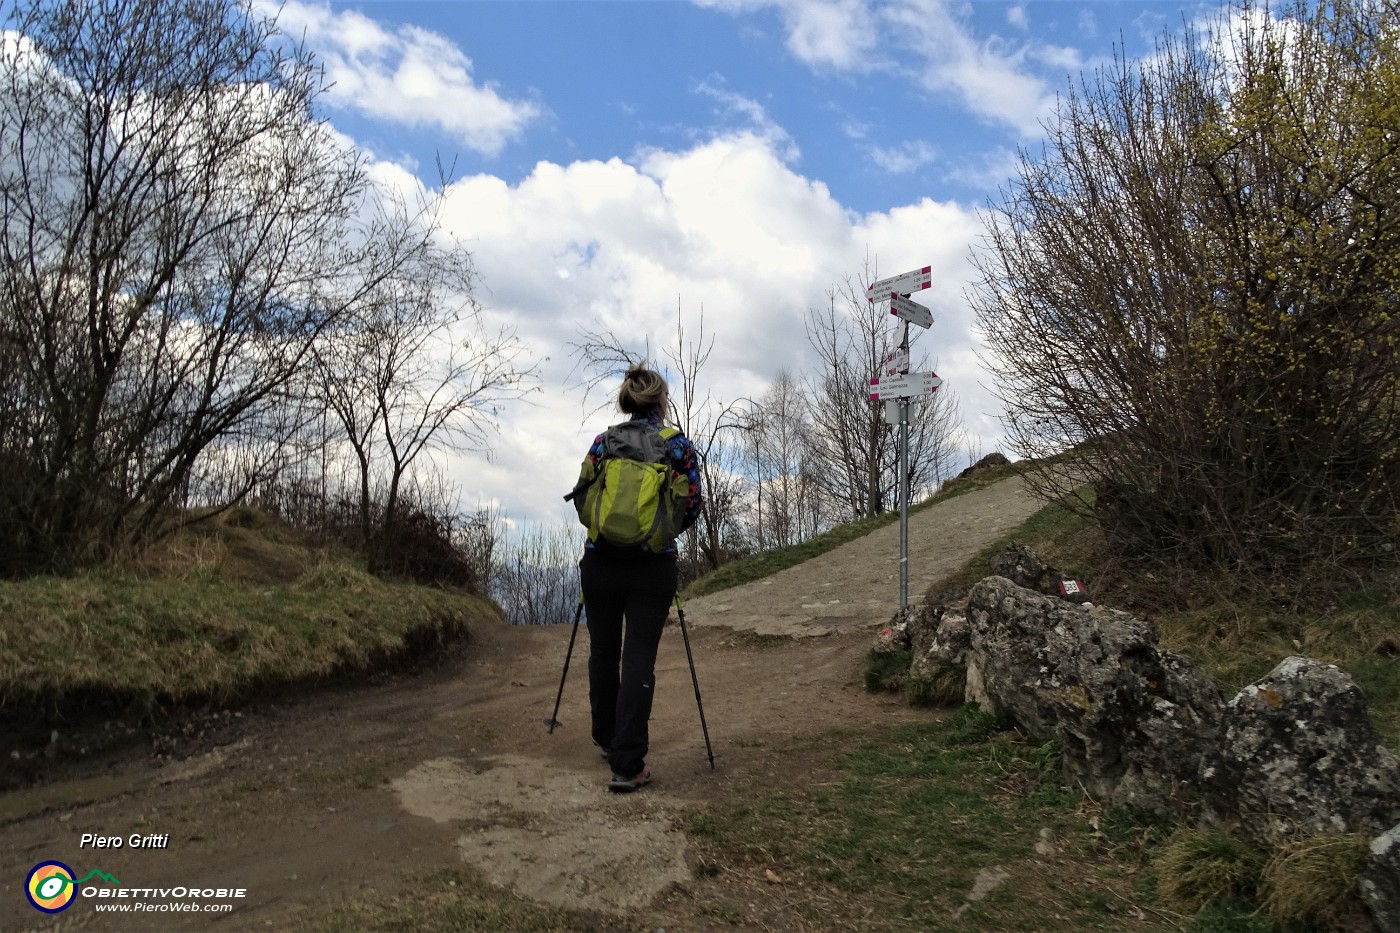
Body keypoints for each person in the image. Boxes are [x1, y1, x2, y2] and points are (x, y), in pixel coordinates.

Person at [579, 365, 702, 793]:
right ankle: (628, 763)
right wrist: (658, 534)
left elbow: (583, 500)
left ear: (628, 400)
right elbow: (691, 508)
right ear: (661, 402)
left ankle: (607, 738)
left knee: (603, 651)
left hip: (600, 561)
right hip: (652, 566)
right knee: (638, 659)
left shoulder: (603, 443)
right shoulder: (678, 447)